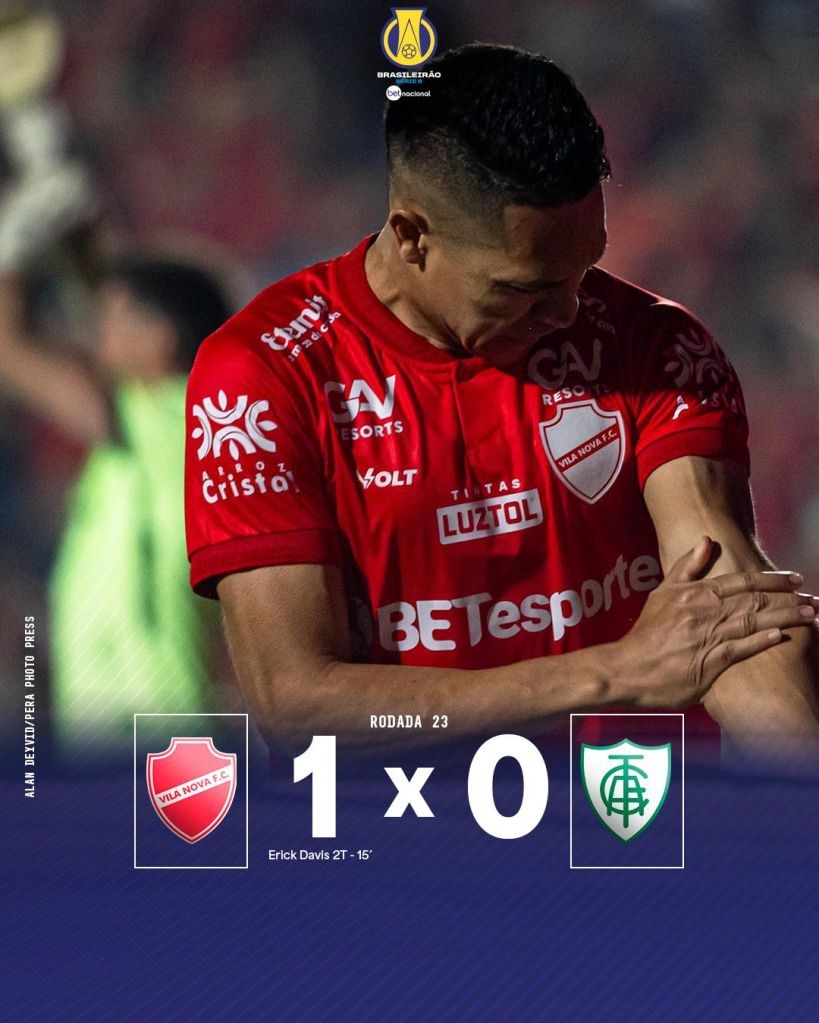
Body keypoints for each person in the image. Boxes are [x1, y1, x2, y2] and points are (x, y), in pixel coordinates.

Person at [184, 44, 819, 768]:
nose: (569, 310)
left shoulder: (652, 343)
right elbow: (296, 705)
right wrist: (613, 672)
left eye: (585, 266)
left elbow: (732, 620)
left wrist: (801, 799)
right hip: (409, 827)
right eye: (524, 288)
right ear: (411, 235)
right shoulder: (264, 375)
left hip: (632, 812)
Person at [0, 256, 232, 759]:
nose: (94, 335)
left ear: (160, 339)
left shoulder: (158, 415)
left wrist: (13, 252)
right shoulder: (200, 424)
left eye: (110, 318)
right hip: (143, 727)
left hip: (145, 734)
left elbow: (9, 347)